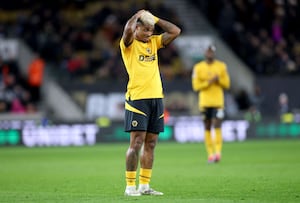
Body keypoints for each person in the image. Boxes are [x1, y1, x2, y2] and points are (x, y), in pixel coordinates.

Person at [120, 10, 181, 196]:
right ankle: (130, 186)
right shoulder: (128, 45)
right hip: (137, 99)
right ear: (137, 28)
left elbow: (175, 31)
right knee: (136, 142)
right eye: (145, 30)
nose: (148, 34)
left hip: (156, 98)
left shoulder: (154, 42)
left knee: (151, 143)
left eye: (151, 30)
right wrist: (137, 15)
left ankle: (144, 185)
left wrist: (155, 19)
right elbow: (127, 30)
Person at [192, 44, 230, 163]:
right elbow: (196, 86)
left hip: (218, 102)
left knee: (217, 125)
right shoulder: (198, 68)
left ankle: (218, 153)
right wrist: (209, 82)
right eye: (208, 52)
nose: (210, 54)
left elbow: (227, 84)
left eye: (211, 52)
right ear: (205, 53)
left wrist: (219, 80)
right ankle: (210, 154)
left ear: (214, 53)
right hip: (205, 103)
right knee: (207, 127)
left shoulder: (221, 66)